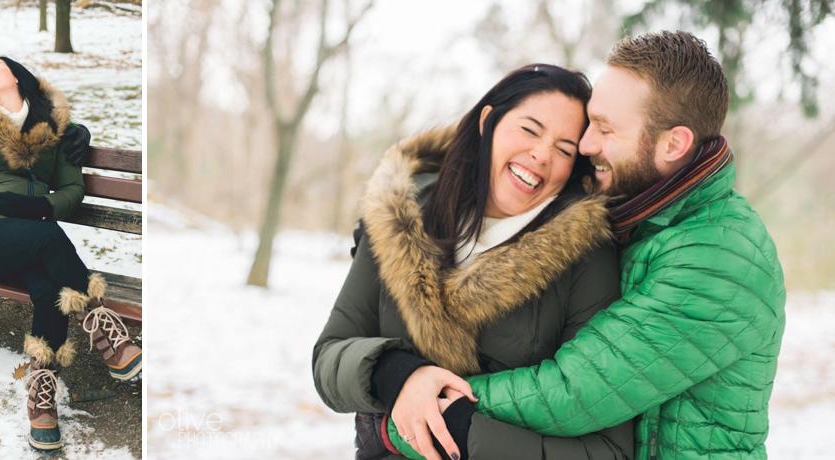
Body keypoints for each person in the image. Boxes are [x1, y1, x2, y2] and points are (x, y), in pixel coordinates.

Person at [386, 31, 786, 460]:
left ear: (673, 144)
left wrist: (418, 406)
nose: (586, 144)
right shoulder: (645, 216)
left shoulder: (720, 259)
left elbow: (575, 391)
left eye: (606, 128)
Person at [314, 64, 635, 460]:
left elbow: (609, 448)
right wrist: (395, 373)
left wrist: (465, 433)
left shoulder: (586, 255)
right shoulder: (400, 213)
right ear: (489, 121)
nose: (540, 155)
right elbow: (329, 356)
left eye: (564, 149)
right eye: (530, 130)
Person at [0, 56, 142, 452]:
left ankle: (42, 399)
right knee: (49, 241)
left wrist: (42, 209)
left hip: (34, 231)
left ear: (19, 79)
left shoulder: (54, 130)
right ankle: (102, 324)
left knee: (48, 289)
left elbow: (73, 191)